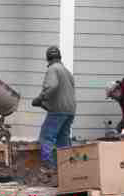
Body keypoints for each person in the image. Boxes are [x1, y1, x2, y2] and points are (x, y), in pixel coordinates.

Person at [32, 46, 76, 187]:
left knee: (46, 137)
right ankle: (66, 170)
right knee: (63, 140)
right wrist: (45, 103)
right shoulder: (67, 72)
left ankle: (48, 168)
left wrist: (40, 98)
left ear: (48, 59)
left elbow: (52, 86)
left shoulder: (53, 69)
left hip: (58, 111)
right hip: (70, 111)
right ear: (60, 57)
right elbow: (64, 91)